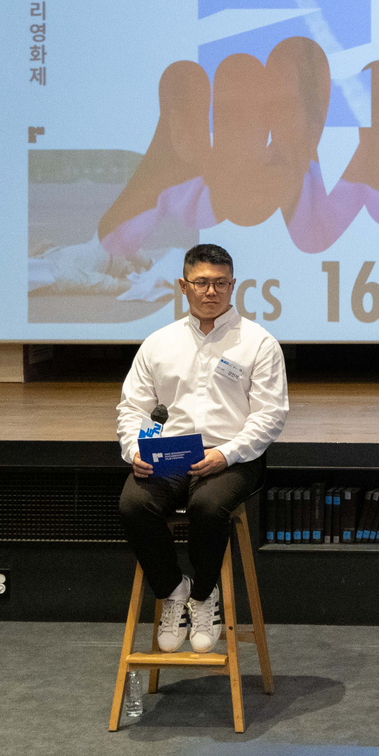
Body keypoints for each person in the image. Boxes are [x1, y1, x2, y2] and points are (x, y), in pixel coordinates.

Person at [117, 243, 288, 654]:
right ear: (183, 285)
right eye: (201, 283)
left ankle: (204, 596)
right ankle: (175, 590)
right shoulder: (159, 343)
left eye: (220, 284)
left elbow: (270, 415)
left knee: (209, 507)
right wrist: (133, 450)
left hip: (233, 456)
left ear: (233, 286)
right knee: (133, 505)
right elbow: (132, 407)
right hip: (169, 453)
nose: (211, 292)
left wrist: (225, 454)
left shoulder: (259, 343)